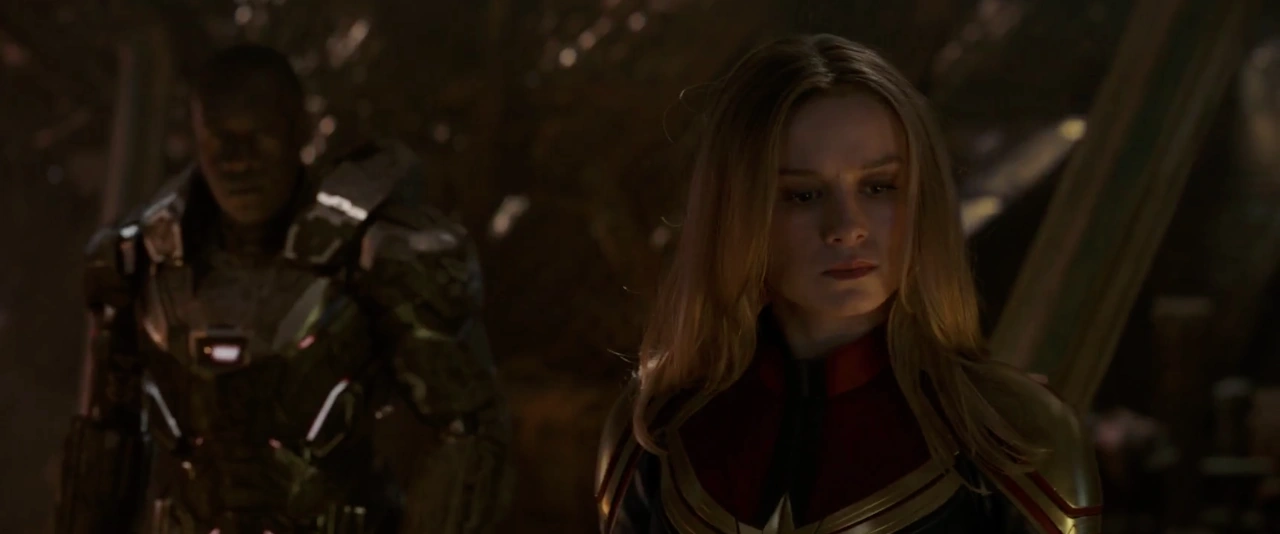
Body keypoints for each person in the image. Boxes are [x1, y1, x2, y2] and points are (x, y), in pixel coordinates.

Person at [595, 34, 1102, 534]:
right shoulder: (656, 429)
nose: (847, 226)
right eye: (803, 194)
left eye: (879, 186)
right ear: (738, 212)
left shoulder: (1019, 435)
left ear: (921, 199)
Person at [56, 44, 512, 534]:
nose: (238, 161)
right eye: (220, 140)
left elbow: (469, 430)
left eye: (258, 136)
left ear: (298, 131)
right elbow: (108, 439)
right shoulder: (139, 262)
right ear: (197, 138)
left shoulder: (378, 255)